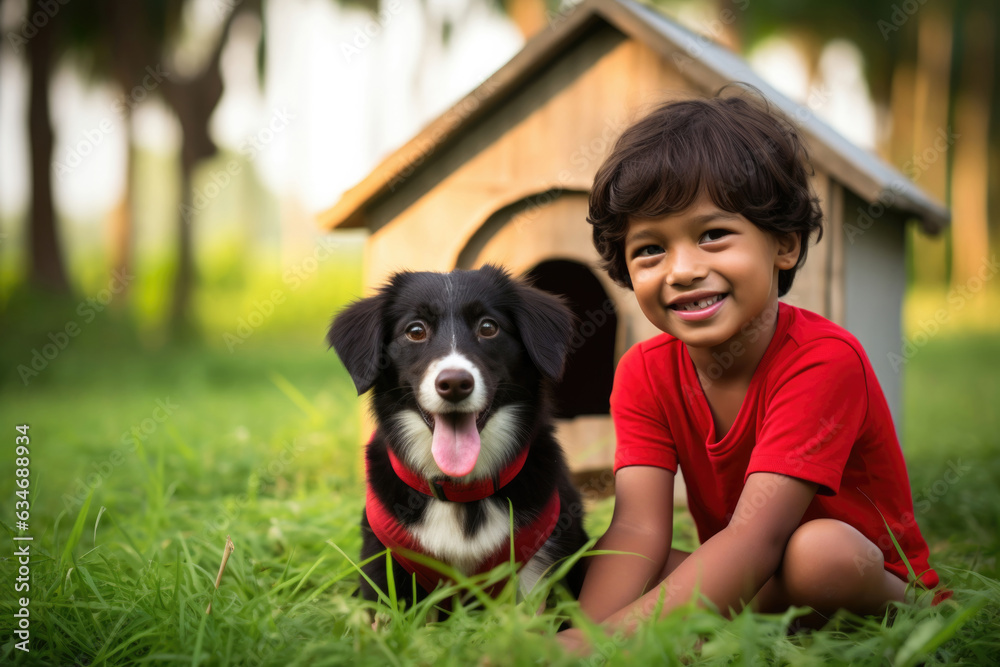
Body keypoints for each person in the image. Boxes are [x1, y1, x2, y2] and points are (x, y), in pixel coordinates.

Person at [557, 89, 941, 652]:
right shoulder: (643, 370)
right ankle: (708, 625)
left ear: (783, 244)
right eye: (649, 250)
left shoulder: (822, 359)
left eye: (712, 235)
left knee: (818, 555)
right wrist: (580, 639)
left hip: (862, 578)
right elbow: (640, 528)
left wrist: (609, 643)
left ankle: (698, 627)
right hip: (750, 570)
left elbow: (757, 537)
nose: (683, 269)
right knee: (629, 556)